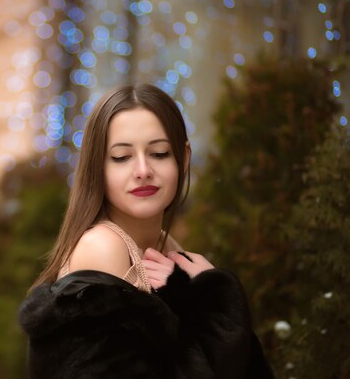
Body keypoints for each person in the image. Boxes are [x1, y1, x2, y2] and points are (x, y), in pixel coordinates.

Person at [18, 84, 274, 379]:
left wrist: (207, 292)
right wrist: (218, 301)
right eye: (121, 157)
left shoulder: (168, 247)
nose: (142, 169)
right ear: (96, 168)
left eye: (159, 153)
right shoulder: (103, 247)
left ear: (184, 157)